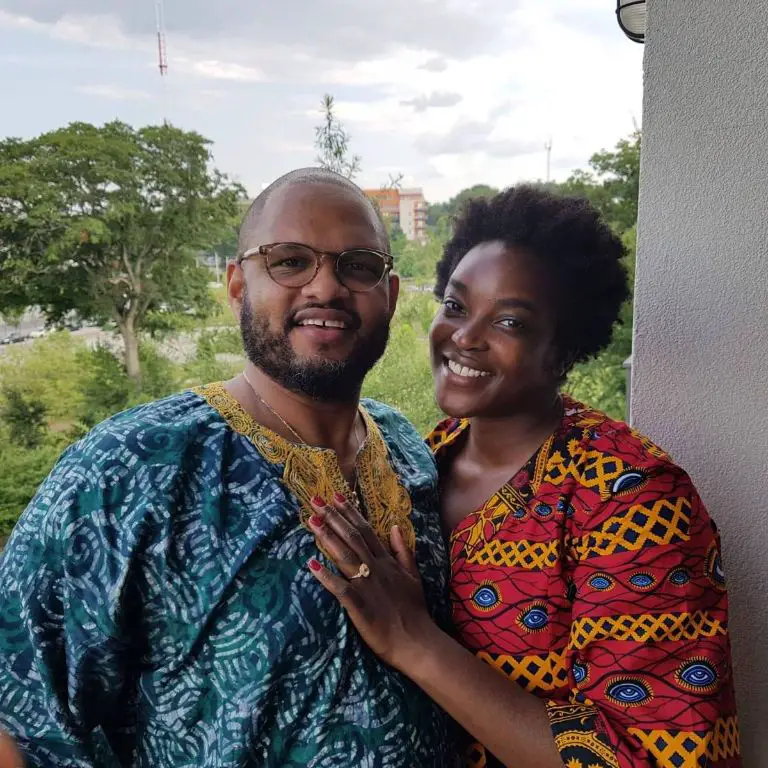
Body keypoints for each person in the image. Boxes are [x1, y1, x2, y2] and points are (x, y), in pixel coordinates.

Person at [0, 168, 459, 766]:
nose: (326, 287)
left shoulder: (406, 449)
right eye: (290, 261)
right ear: (238, 285)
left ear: (391, 295)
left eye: (359, 265)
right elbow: (16, 705)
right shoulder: (129, 468)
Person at [308, 186, 741, 768]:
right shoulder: (418, 460)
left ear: (563, 349)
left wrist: (416, 643)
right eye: (457, 307)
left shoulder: (630, 495)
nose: (464, 336)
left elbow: (646, 756)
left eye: (509, 321)